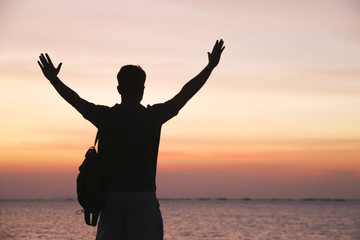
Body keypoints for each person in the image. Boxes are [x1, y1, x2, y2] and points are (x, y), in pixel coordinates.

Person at [38, 39, 225, 240]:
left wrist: (54, 80)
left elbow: (76, 101)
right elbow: (185, 94)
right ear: (143, 89)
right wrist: (210, 67)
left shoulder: (104, 117)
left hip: (111, 201)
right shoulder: (153, 117)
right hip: (143, 198)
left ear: (119, 89)